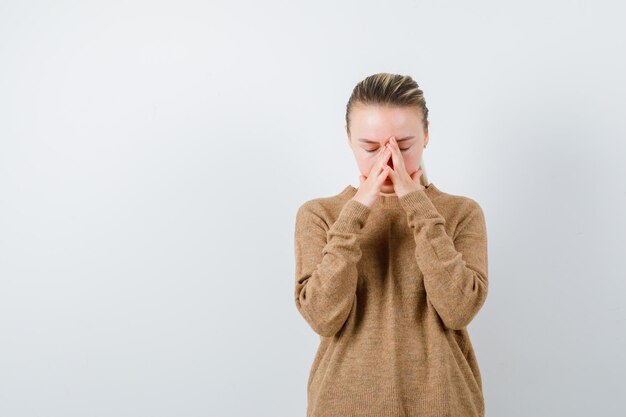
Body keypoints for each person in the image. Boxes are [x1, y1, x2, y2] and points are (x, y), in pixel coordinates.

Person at [293, 73, 489, 417]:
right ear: (348, 139)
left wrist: (418, 206)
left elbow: (458, 309)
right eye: (370, 148)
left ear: (426, 136)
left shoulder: (461, 213)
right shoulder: (320, 215)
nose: (387, 162)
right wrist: (356, 211)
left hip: (445, 406)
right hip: (342, 405)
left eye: (403, 146)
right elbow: (323, 317)